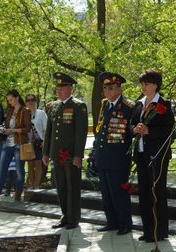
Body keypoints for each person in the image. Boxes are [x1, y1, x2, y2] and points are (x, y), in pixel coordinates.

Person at [131, 69, 175, 242]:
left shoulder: (164, 105)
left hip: (157, 156)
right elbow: (131, 124)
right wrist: (134, 129)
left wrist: (149, 130)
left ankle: (160, 231)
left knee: (157, 193)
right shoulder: (139, 104)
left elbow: (170, 131)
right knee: (144, 194)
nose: (143, 86)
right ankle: (148, 230)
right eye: (142, 83)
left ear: (155, 85)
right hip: (141, 155)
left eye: (146, 83)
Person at [43, 72, 88, 230]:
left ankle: (73, 218)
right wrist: (46, 152)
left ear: (70, 88)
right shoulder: (54, 106)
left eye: (62, 87)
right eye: (58, 88)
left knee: (72, 186)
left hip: (70, 155)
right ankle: (65, 215)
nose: (59, 90)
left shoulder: (78, 106)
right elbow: (49, 131)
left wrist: (78, 155)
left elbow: (80, 133)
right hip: (56, 154)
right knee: (61, 186)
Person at [94, 71, 135, 235]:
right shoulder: (105, 105)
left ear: (119, 89)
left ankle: (125, 223)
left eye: (111, 88)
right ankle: (111, 221)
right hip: (103, 156)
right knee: (106, 193)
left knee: (119, 193)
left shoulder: (128, 106)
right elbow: (101, 130)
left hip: (118, 158)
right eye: (105, 88)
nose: (107, 91)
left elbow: (131, 132)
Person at [0, 89, 32, 202]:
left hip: (19, 144)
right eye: (8, 100)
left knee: (20, 171)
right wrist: (1, 129)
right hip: (8, 144)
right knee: (2, 170)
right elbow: (6, 125)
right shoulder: (10, 110)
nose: (10, 102)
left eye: (11, 100)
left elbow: (27, 128)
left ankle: (18, 194)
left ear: (17, 98)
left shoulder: (25, 110)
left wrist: (12, 130)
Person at [25, 94, 47, 189]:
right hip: (27, 142)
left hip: (39, 141)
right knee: (30, 164)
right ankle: (31, 184)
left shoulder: (41, 113)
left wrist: (45, 141)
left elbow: (46, 129)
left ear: (36, 101)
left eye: (33, 100)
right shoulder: (24, 113)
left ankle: (36, 185)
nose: (30, 102)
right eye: (28, 100)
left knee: (38, 163)